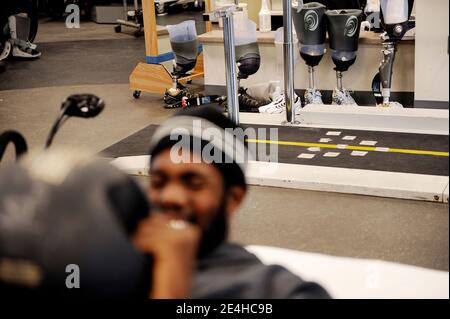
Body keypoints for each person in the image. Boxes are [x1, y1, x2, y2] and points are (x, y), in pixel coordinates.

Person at [133, 107, 331, 299]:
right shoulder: (117, 261)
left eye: (193, 184)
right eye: (159, 182)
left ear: (232, 199)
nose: (170, 197)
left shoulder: (271, 289)